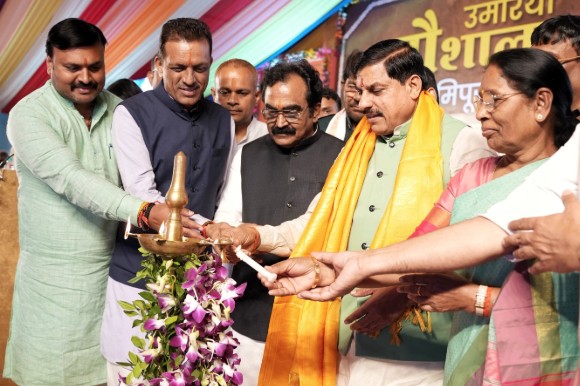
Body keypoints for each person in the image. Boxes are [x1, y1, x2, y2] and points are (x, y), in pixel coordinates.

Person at [220, 39, 492, 386]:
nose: (362, 104)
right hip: (345, 334)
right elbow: (316, 224)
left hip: (418, 347)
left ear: (412, 86)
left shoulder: (460, 142)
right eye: (361, 92)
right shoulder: (355, 148)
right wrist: (257, 235)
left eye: (376, 91)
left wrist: (396, 295)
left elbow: (473, 244)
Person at [3, 18, 183, 386]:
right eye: (72, 67)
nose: (86, 77)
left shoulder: (121, 110)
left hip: (116, 278)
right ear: (50, 65)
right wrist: (146, 212)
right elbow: (71, 179)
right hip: (53, 286)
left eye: (95, 66)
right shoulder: (29, 114)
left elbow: (146, 175)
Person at [100, 18, 236, 384]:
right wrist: (206, 228)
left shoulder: (224, 120)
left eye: (200, 68)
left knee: (194, 374)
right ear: (159, 63)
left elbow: (223, 193)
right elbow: (143, 194)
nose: (189, 79)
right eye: (178, 67)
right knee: (133, 372)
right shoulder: (131, 114)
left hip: (199, 283)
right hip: (137, 276)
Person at [208, 59, 344, 385]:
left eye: (292, 112)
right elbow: (227, 215)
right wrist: (227, 242)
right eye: (271, 112)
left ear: (315, 111)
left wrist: (255, 236)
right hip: (251, 316)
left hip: (315, 316)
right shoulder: (249, 154)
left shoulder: (342, 156)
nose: (280, 122)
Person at [211, 58, 267, 146]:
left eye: (242, 93)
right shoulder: (200, 136)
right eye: (225, 93)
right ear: (214, 95)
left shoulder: (268, 137)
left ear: (256, 97)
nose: (232, 101)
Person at [321, 50, 364, 141]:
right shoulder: (320, 128)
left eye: (365, 90)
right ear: (342, 85)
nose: (358, 97)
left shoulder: (389, 133)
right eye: (352, 87)